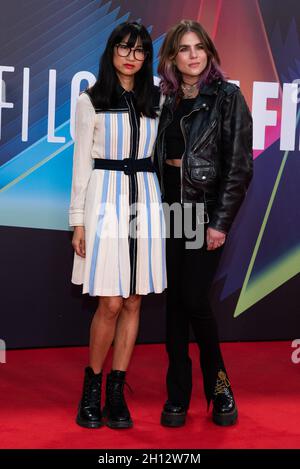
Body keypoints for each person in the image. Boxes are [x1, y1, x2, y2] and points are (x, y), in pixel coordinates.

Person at [154, 20, 253, 427]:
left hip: (203, 210)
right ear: (173, 58)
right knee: (175, 306)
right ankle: (177, 395)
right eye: (184, 49)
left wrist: (219, 222)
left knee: (194, 300)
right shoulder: (166, 99)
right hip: (169, 210)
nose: (193, 55)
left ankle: (220, 387)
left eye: (199, 47)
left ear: (209, 53)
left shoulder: (227, 97)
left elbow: (239, 167)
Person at [69, 22, 166, 429]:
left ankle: (116, 390)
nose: (131, 56)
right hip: (104, 198)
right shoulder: (90, 100)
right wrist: (77, 221)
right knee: (109, 301)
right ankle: (92, 386)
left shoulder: (157, 99)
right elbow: (81, 165)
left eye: (140, 50)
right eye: (125, 48)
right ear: (111, 51)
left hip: (145, 195)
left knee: (133, 300)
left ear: (147, 58)